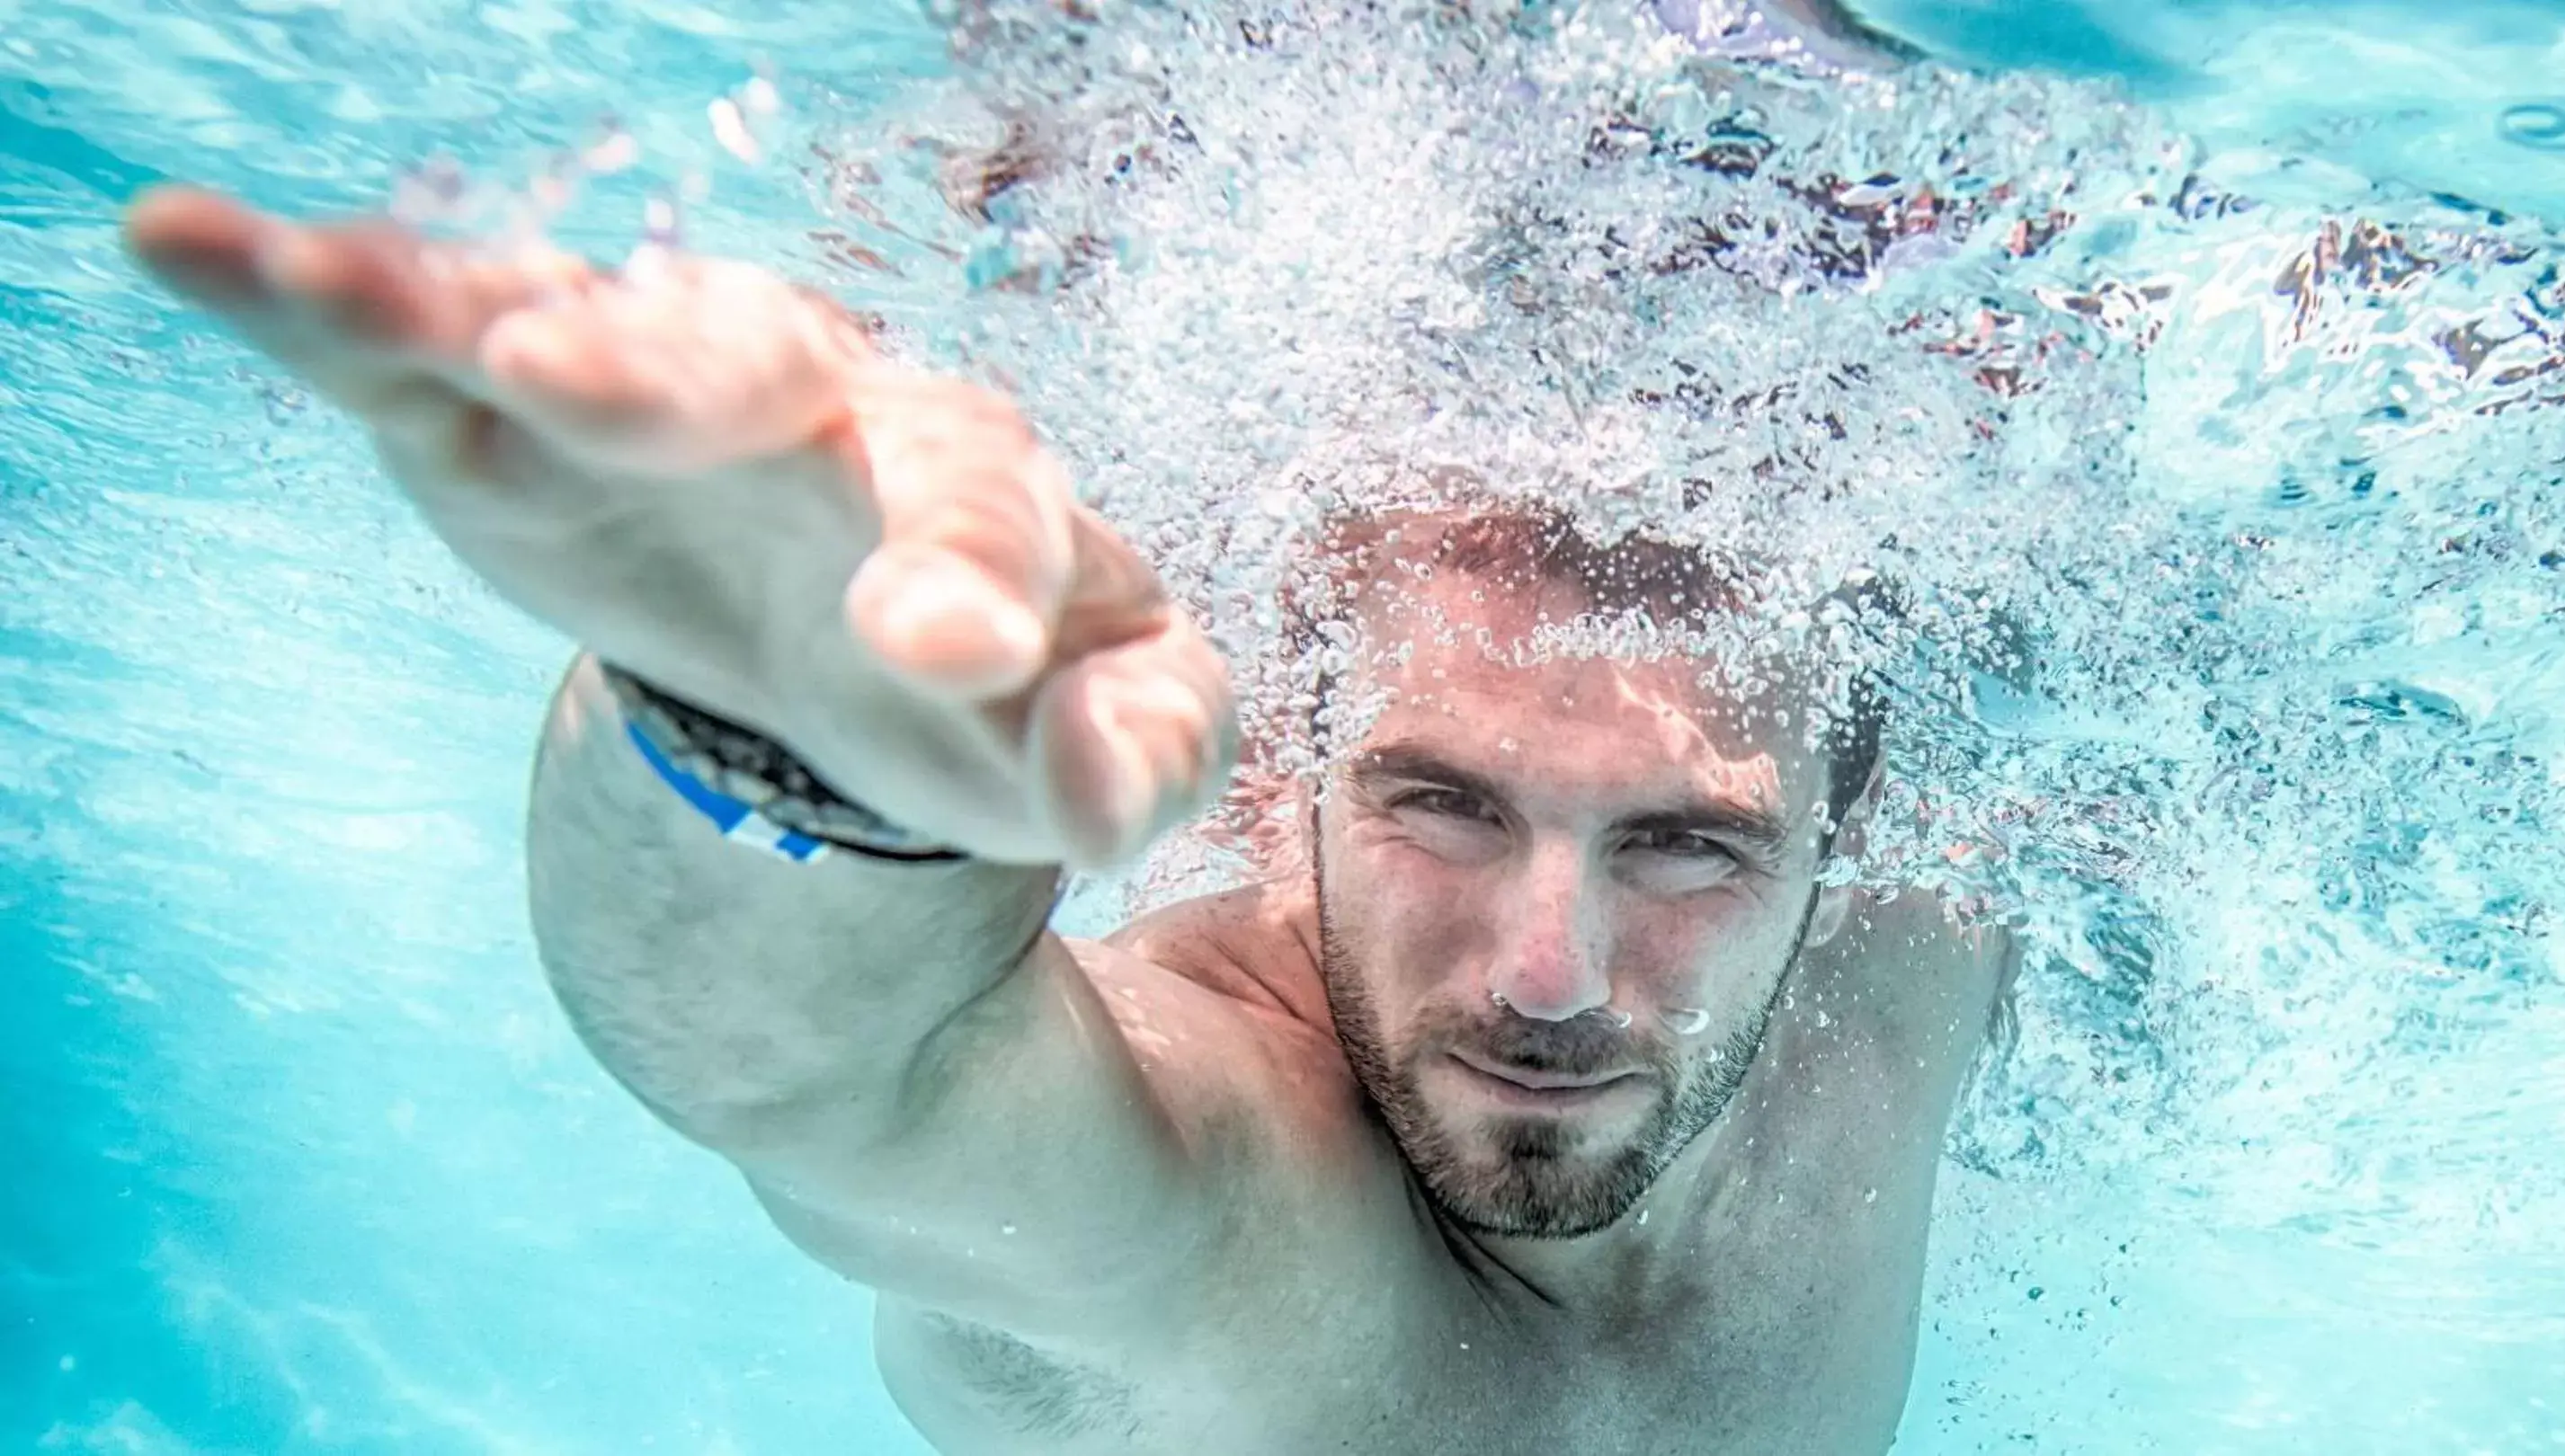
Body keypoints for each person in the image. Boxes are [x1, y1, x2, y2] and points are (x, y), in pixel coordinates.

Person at [126, 185, 2017, 1456]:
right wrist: (780, 726)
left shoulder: (1931, 918)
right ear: (1299, 758)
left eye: (1687, 846)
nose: (1547, 975)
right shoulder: (1223, 1206)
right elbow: (840, 1086)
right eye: (1436, 804)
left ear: (1848, 837)